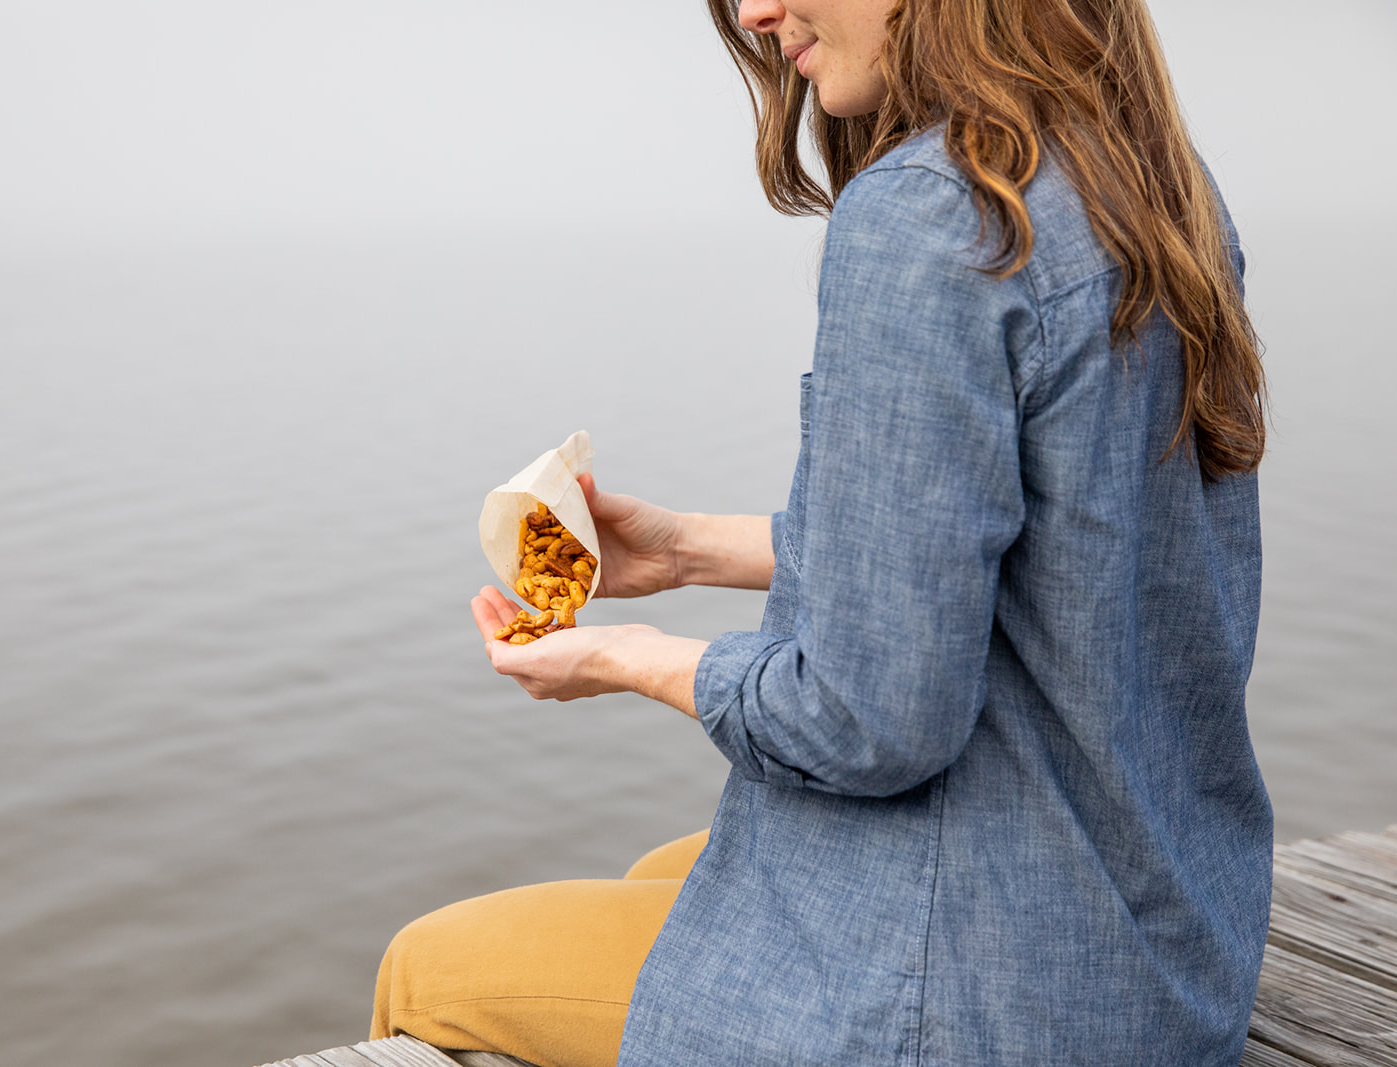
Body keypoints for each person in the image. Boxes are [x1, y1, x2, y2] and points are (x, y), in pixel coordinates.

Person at [371, 0, 1272, 1063]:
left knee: (425, 963)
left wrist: (624, 656)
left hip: (989, 1006)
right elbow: (1046, 558)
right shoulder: (1147, 184)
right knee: (673, 866)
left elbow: (867, 721)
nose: (753, 13)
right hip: (1153, 950)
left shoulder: (935, 215)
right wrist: (686, 549)